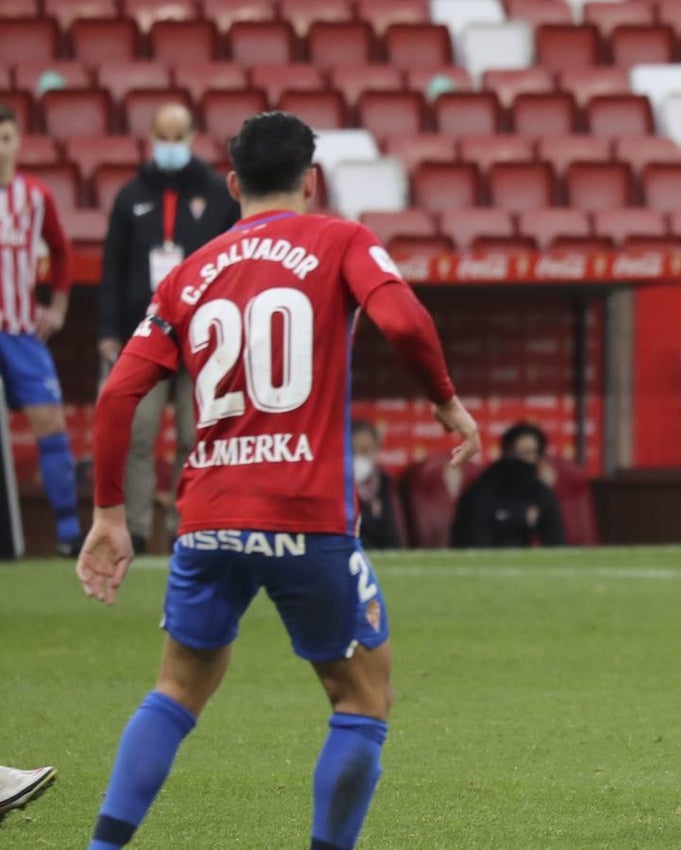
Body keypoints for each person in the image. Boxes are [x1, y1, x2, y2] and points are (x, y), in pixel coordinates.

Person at [75, 111, 480, 850]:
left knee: (177, 690)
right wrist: (446, 401)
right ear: (311, 181)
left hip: (210, 516)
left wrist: (109, 515)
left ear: (232, 185)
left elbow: (115, 397)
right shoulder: (341, 240)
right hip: (307, 515)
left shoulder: (188, 273)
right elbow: (406, 325)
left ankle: (102, 847)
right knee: (362, 697)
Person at [98, 102, 240, 553]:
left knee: (193, 435)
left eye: (178, 136)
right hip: (146, 333)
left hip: (203, 335)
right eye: (164, 135)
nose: (170, 146)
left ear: (194, 136)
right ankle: (135, 531)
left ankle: (189, 527)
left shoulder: (217, 193)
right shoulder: (131, 194)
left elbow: (235, 261)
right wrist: (108, 331)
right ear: (152, 138)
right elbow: (113, 270)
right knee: (137, 434)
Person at [0, 104, 81, 556]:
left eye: (7, 138)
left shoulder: (34, 196)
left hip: (20, 330)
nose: (1, 148)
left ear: (18, 142)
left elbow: (63, 251)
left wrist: (60, 306)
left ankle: (68, 535)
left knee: (49, 423)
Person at [451, 421, 564, 548]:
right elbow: (472, 542)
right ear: (506, 451)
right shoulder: (482, 491)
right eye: (517, 452)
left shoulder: (540, 493)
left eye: (530, 453)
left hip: (524, 564)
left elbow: (555, 543)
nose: (524, 460)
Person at [352, 420, 402, 549]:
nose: (359, 456)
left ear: (376, 449)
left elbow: (391, 534)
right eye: (353, 450)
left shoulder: (384, 484)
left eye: (365, 450)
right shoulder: (338, 487)